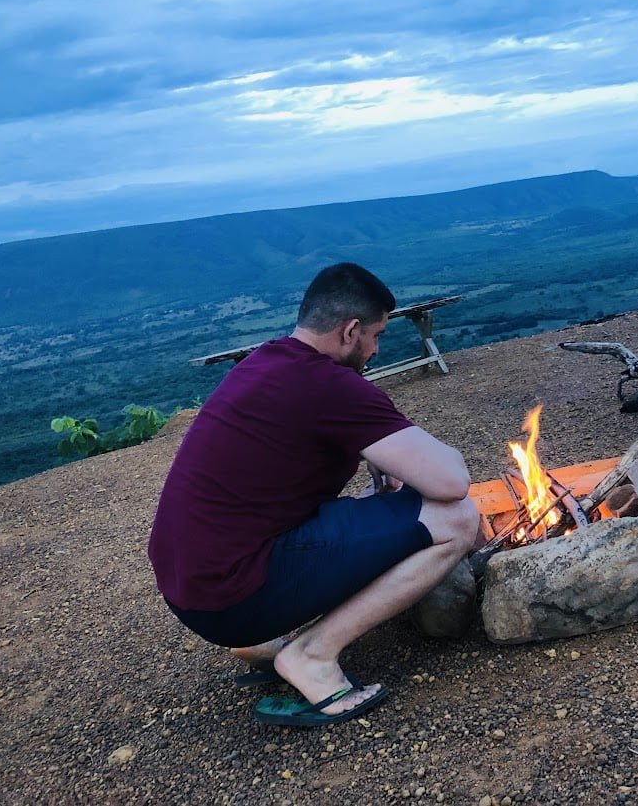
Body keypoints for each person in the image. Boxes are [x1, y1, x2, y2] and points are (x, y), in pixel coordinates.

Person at [148, 263, 479, 727]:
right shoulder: (330, 385)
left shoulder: (266, 361)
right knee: (457, 519)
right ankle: (312, 656)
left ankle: (264, 641)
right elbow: (452, 481)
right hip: (235, 596)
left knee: (377, 504)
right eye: (376, 335)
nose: (377, 349)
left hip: (192, 589)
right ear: (350, 331)